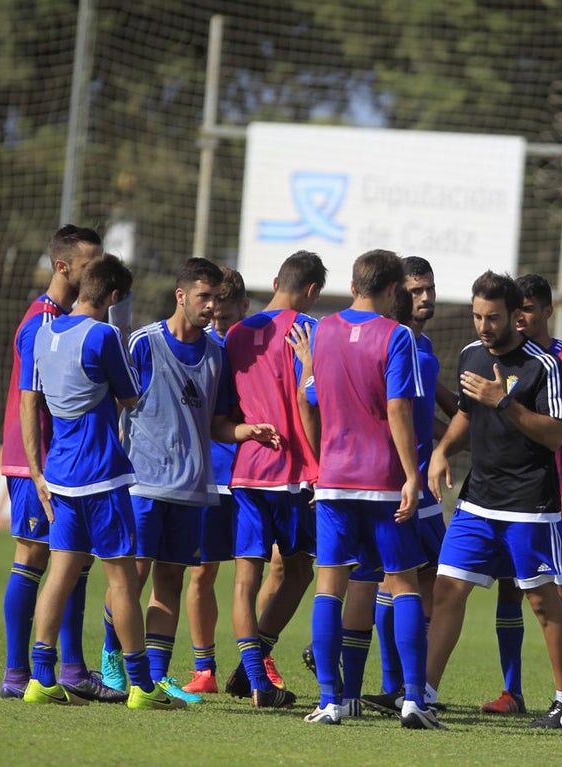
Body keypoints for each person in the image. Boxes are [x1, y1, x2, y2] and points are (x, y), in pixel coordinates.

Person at [100, 258, 280, 704]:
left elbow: (218, 424)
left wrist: (245, 431)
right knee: (131, 580)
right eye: (204, 296)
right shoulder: (143, 344)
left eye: (218, 298)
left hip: (191, 489)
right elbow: (117, 405)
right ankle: (111, 659)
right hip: (143, 485)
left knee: (171, 585)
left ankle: (156, 679)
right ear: (181, 295)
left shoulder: (218, 354)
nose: (213, 307)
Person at [20, 254, 184, 710]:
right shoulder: (105, 335)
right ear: (113, 297)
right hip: (102, 475)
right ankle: (141, 686)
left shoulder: (43, 331)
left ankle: (40, 677)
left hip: (60, 473)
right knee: (122, 580)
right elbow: (131, 395)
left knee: (60, 573)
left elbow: (35, 401)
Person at [426, 270, 562, 730]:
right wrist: (441, 451)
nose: (482, 326)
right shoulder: (471, 354)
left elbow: (557, 436)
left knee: (541, 601)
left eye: (492, 317)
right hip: (478, 500)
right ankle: (426, 698)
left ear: (516, 317)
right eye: (477, 316)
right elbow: (464, 412)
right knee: (447, 590)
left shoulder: (544, 365)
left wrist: (505, 403)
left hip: (529, 506)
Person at [302, 249, 440, 729]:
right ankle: (413, 702)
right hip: (382, 479)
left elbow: (309, 400)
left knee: (330, 587)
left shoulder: (322, 330)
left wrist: (320, 463)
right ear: (393, 290)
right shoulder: (396, 335)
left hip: (335, 479)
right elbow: (399, 410)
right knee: (403, 586)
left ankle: (329, 700)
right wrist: (412, 475)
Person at [0, 226, 125, 703]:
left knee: (74, 561)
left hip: (67, 464)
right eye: (89, 263)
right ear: (63, 267)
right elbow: (31, 402)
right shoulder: (41, 323)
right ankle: (17, 673)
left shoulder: (72, 322)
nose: (95, 271)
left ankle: (71, 668)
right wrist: (36, 468)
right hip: (41, 463)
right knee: (32, 556)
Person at [480, 273, 562, 719]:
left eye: (529, 309)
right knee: (510, 588)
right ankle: (511, 691)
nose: (522, 317)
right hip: (510, 495)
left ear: (548, 311)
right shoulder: (499, 359)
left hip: (558, 495)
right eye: (517, 310)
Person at [223, 250, 326, 708]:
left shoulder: (235, 335)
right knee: (302, 569)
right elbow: (318, 401)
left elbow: (225, 408)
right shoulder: (312, 331)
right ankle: (259, 662)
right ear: (311, 291)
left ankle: (254, 676)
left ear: (276, 280)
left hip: (248, 469)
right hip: (298, 473)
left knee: (246, 579)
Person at [181, 266, 250, 694]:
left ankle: (256, 662)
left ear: (243, 305)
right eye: (212, 306)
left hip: (253, 477)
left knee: (261, 571)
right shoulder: (201, 347)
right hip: (208, 476)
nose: (217, 316)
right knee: (202, 572)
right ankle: (204, 669)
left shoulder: (257, 346)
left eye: (226, 309)